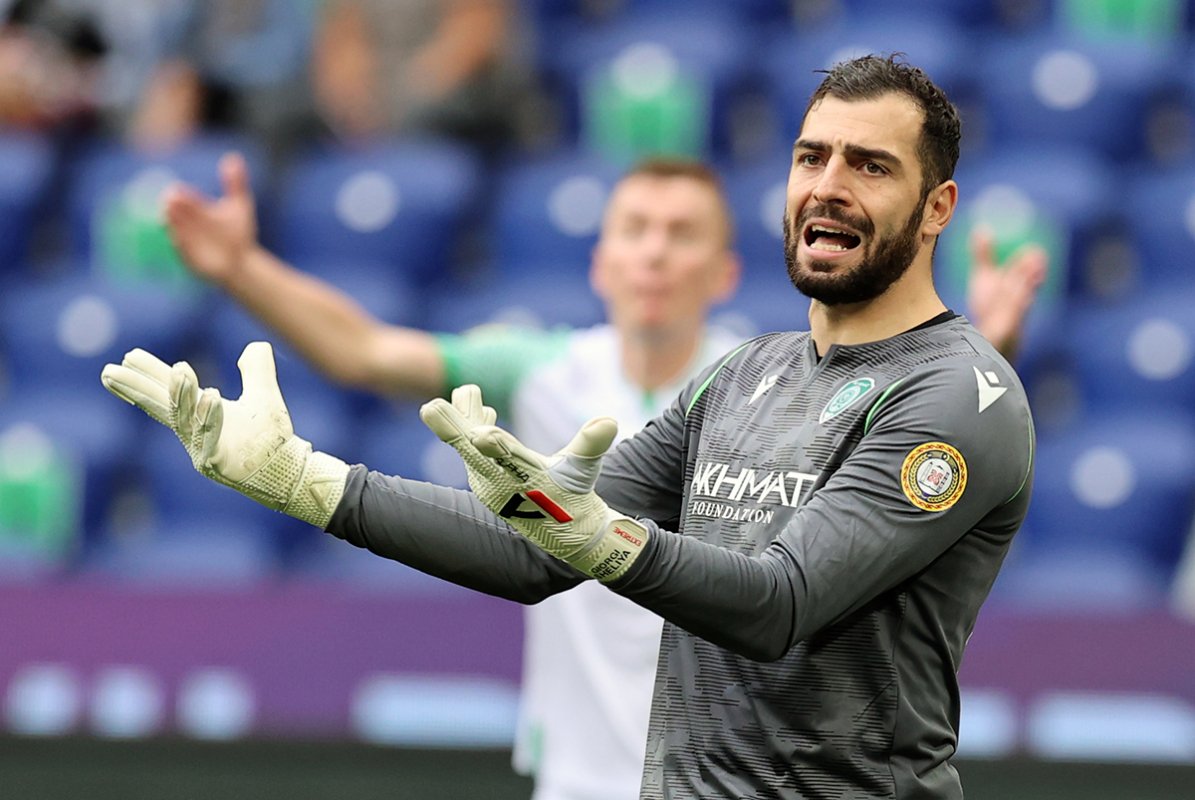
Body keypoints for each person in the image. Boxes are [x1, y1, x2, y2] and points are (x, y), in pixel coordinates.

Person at [108, 55, 1040, 797]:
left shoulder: (961, 394)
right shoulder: (743, 373)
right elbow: (531, 551)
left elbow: (778, 605)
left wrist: (601, 539)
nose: (827, 186)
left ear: (936, 209)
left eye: (869, 165)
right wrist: (304, 480)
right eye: (810, 157)